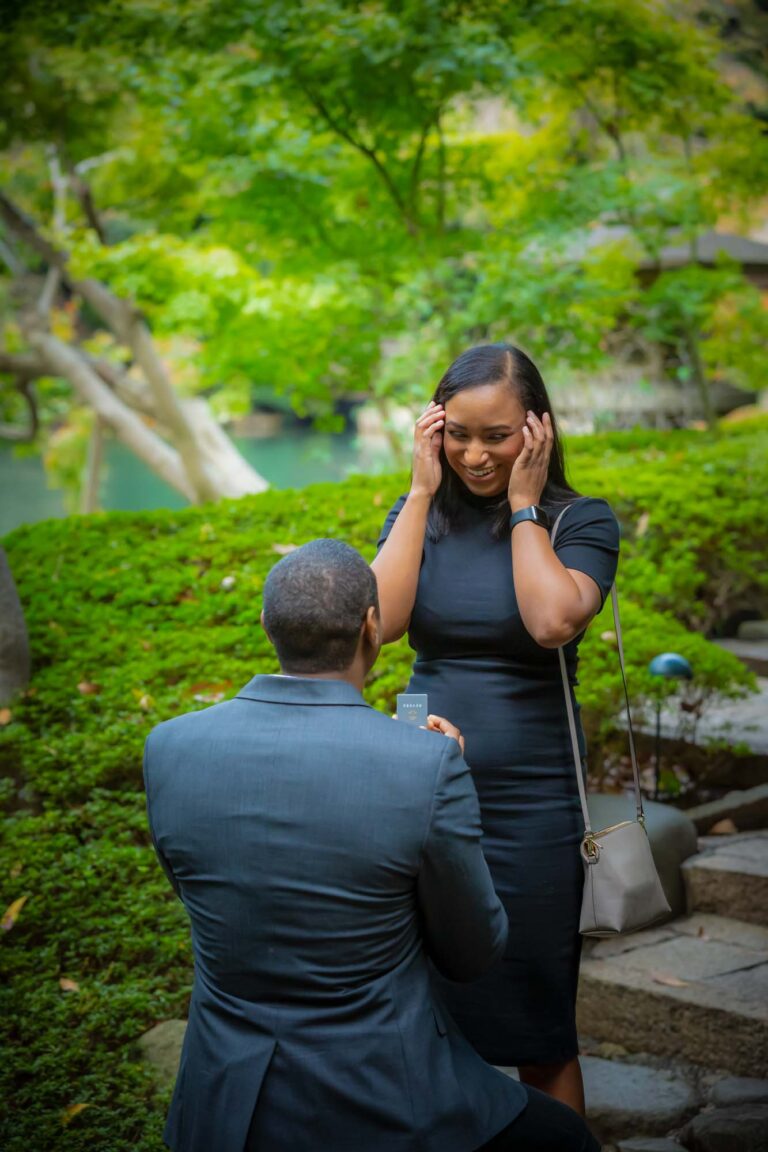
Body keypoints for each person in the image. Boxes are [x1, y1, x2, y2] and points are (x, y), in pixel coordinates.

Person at [144, 538, 600, 1152]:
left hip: (226, 1100)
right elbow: (473, 952)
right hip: (387, 1099)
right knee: (565, 1137)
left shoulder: (169, 746)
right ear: (371, 626)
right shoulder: (425, 765)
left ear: (266, 625)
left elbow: (199, 889)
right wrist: (440, 785)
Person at [372, 343, 620, 1116]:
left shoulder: (580, 521)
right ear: (433, 429)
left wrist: (522, 508)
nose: (475, 455)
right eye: (459, 435)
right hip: (428, 792)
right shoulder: (421, 517)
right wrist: (419, 493)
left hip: (534, 805)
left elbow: (552, 621)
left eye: (497, 436)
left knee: (540, 1026)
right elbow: (381, 624)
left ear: (538, 432)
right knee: (426, 1018)